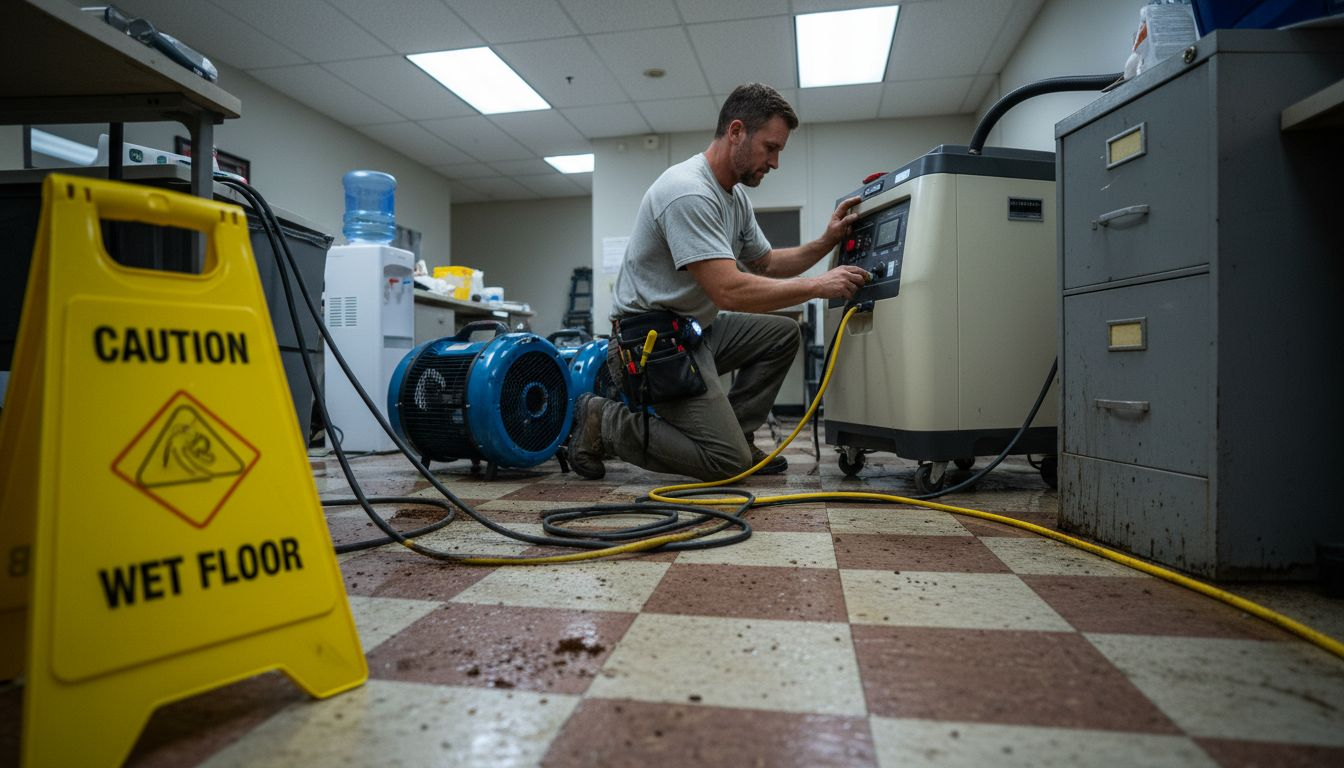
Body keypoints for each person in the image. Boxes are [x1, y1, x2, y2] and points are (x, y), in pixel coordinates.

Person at [570, 82, 869, 481]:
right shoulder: (688, 192)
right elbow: (728, 290)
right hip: (649, 344)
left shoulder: (733, 196)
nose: (775, 162)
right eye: (771, 147)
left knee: (782, 335)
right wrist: (818, 286)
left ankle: (736, 435)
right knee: (726, 464)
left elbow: (764, 264)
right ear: (736, 132)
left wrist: (825, 241)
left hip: (693, 331)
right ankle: (603, 421)